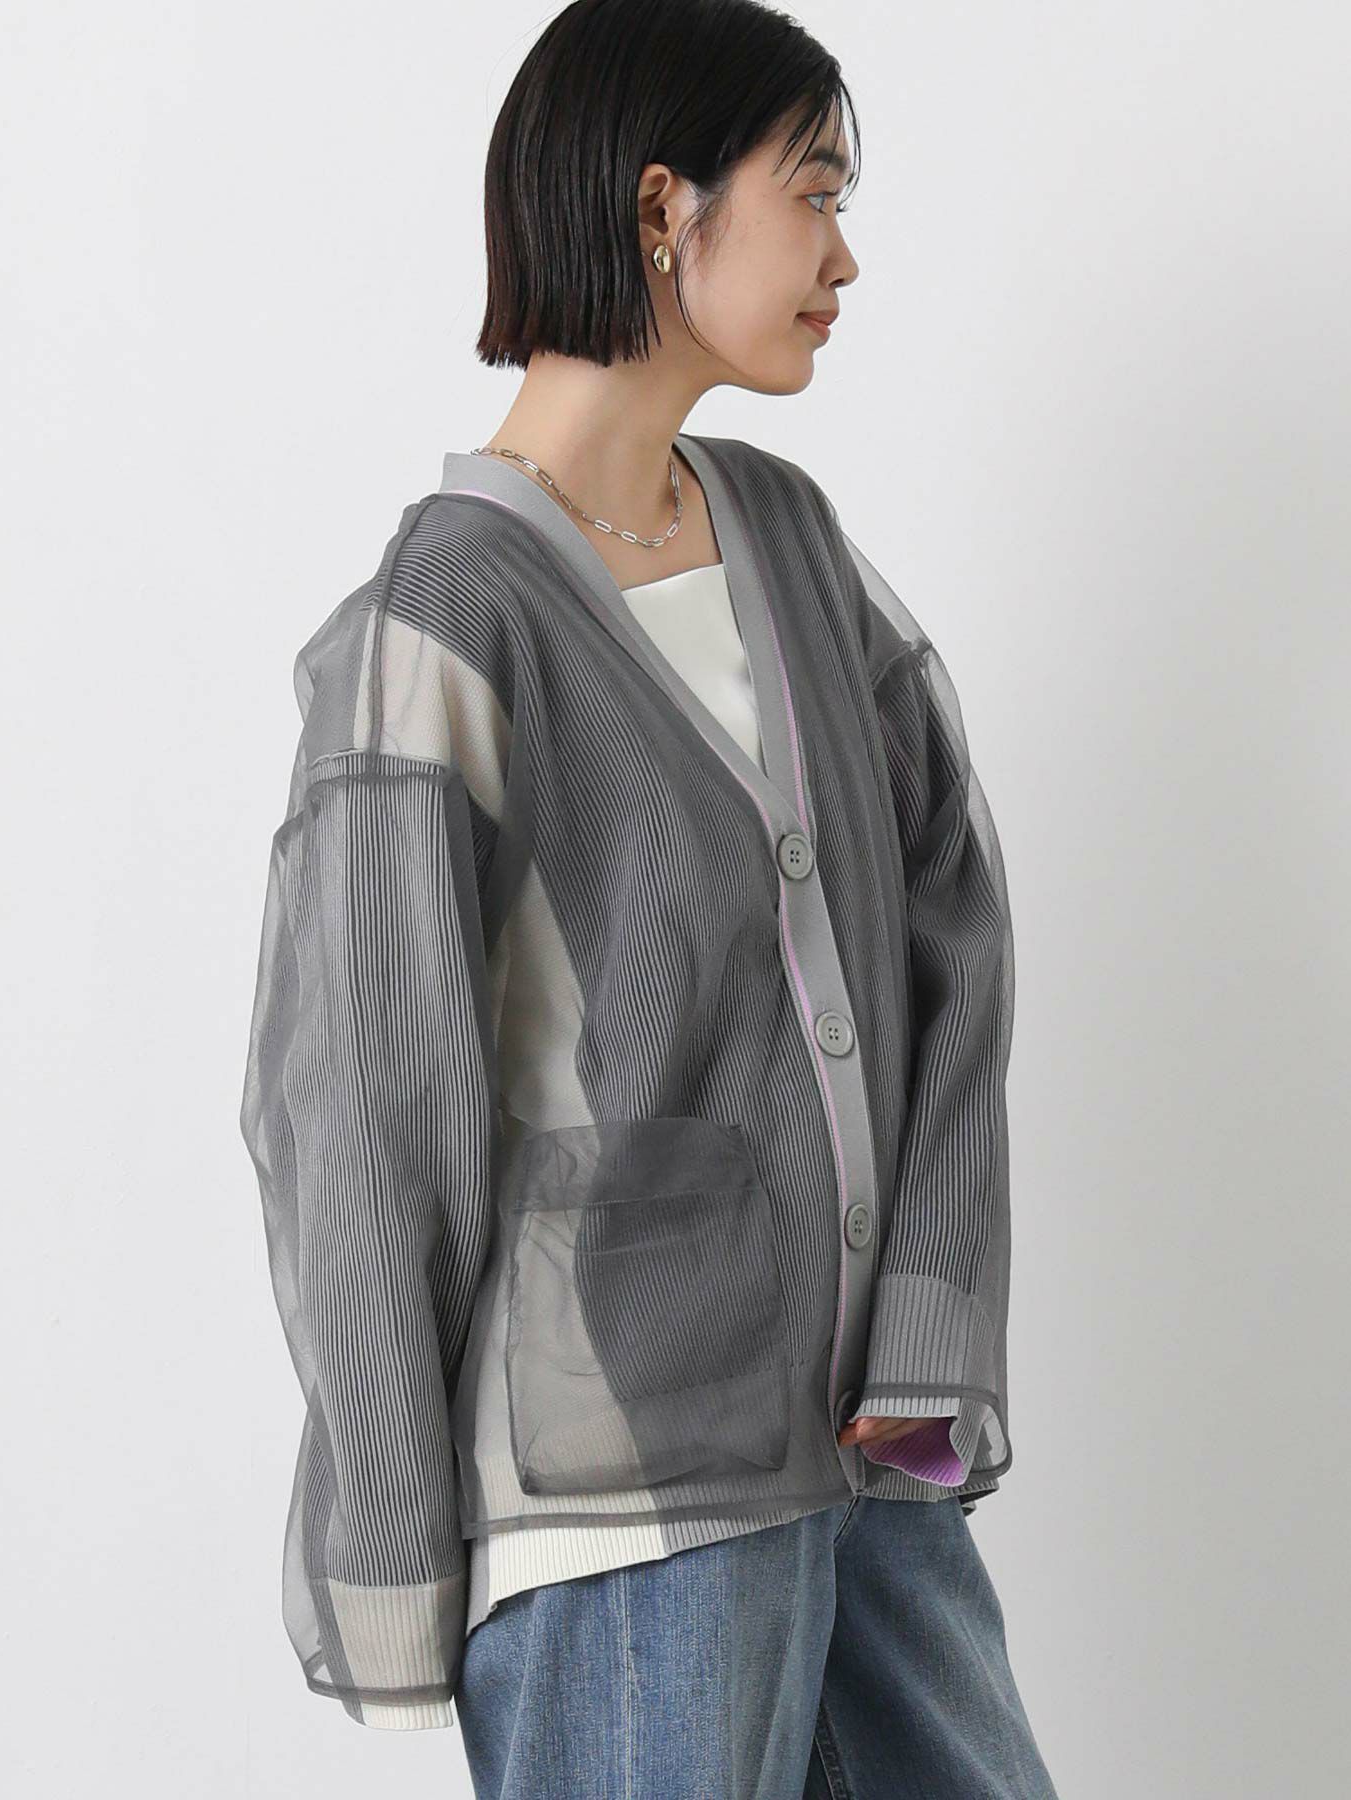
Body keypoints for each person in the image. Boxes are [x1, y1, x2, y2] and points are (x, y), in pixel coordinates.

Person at [239, 1, 1060, 1793]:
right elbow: (361, 1124)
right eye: (815, 193)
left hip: (863, 1457)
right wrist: (392, 1539)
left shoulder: (792, 542)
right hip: (620, 1514)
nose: (845, 255)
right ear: (661, 207)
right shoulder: (448, 622)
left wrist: (929, 1313)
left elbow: (955, 923)